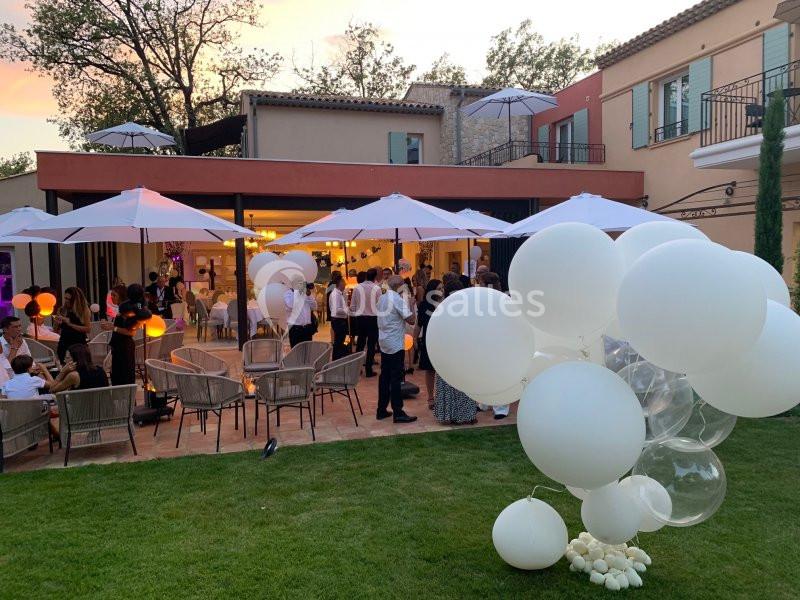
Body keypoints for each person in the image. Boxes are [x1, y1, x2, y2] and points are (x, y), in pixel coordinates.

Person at [434, 279, 478, 425]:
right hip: (464, 350)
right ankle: (466, 414)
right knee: (464, 383)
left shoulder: (441, 307)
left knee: (448, 382)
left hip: (446, 350)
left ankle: (448, 414)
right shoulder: (468, 308)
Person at [376, 275, 417, 423]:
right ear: (400, 286)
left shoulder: (382, 298)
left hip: (384, 341)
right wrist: (412, 304)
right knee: (396, 378)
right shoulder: (397, 299)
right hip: (395, 343)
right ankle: (398, 412)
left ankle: (381, 409)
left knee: (384, 376)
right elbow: (411, 320)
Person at [476, 271, 509, 419]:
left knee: (499, 374)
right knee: (484, 372)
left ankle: (501, 407)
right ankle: (484, 402)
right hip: (485, 340)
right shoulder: (481, 299)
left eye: (481, 283)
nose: (479, 285)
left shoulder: (504, 299)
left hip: (500, 342)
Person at [102, 283, 150, 386]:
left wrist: (113, 327)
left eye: (114, 295)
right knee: (117, 377)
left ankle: (127, 399)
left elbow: (131, 331)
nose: (112, 297)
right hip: (119, 346)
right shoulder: (122, 309)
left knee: (124, 377)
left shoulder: (128, 311)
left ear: (121, 296)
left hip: (124, 347)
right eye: (111, 295)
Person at [414, 279, 442, 409]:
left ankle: (442, 397)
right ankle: (430, 398)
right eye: (439, 288)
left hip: (443, 341)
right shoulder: (424, 305)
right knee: (430, 370)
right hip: (429, 340)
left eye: (442, 288)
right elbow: (419, 324)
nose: (442, 290)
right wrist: (414, 338)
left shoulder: (447, 304)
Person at [350, 267, 381, 377]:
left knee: (360, 344)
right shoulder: (377, 288)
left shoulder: (357, 288)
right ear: (375, 277)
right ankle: (368, 369)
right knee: (371, 345)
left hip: (361, 319)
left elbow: (352, 305)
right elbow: (380, 305)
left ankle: (357, 369)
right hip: (373, 319)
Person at [53, 286, 91, 364]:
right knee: (64, 366)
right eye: (65, 298)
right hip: (64, 343)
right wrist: (57, 322)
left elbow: (88, 329)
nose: (66, 301)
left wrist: (70, 324)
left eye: (69, 299)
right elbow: (55, 330)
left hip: (79, 344)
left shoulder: (83, 310)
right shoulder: (62, 309)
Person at [1, 316, 31, 385]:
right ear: (5, 329)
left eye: (20, 326)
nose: (19, 329)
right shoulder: (0, 344)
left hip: (24, 376)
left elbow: (29, 360)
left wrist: (33, 368)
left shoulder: (21, 341)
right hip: (7, 381)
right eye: (15, 327)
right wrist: (14, 348)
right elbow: (5, 370)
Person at [285, 279, 316, 347]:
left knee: (307, 352)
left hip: (307, 328)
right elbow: (290, 305)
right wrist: (297, 292)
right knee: (296, 353)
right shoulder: (288, 293)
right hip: (295, 329)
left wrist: (309, 295)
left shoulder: (305, 294)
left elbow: (314, 306)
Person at [328, 274, 349, 360]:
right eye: (344, 282)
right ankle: (337, 360)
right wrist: (348, 311)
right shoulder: (336, 294)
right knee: (338, 343)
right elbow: (337, 310)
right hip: (338, 321)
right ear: (340, 283)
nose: (345, 284)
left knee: (339, 342)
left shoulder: (338, 294)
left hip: (338, 321)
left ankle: (338, 359)